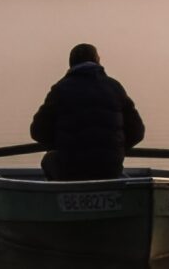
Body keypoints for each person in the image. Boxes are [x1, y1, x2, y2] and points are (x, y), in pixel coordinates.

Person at [29, 43, 145, 180]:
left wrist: (59, 145)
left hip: (70, 169)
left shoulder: (59, 90)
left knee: (48, 159)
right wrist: (116, 149)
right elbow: (137, 132)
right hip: (109, 169)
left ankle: (61, 195)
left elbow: (37, 131)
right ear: (98, 61)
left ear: (70, 64)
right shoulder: (114, 88)